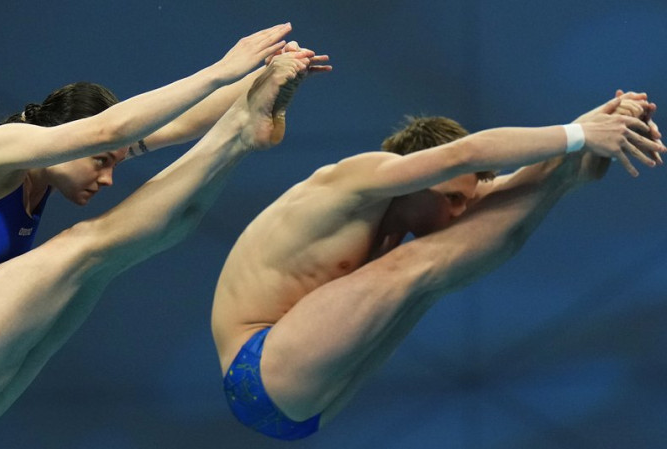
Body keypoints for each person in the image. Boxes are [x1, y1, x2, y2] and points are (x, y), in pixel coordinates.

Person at [0, 22, 330, 428]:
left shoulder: (52, 165)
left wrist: (267, 77)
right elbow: (109, 131)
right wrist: (223, 69)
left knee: (124, 251)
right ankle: (242, 130)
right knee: (86, 243)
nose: (109, 178)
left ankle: (240, 134)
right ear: (68, 137)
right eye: (101, 163)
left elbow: (176, 124)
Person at [211, 91, 664, 440]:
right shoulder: (357, 179)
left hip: (310, 404)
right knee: (418, 263)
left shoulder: (428, 202)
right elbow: (466, 154)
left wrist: (605, 125)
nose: (456, 211)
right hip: (258, 370)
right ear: (417, 177)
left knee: (473, 232)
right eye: (450, 198)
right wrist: (579, 134)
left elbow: (503, 195)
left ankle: (572, 166)